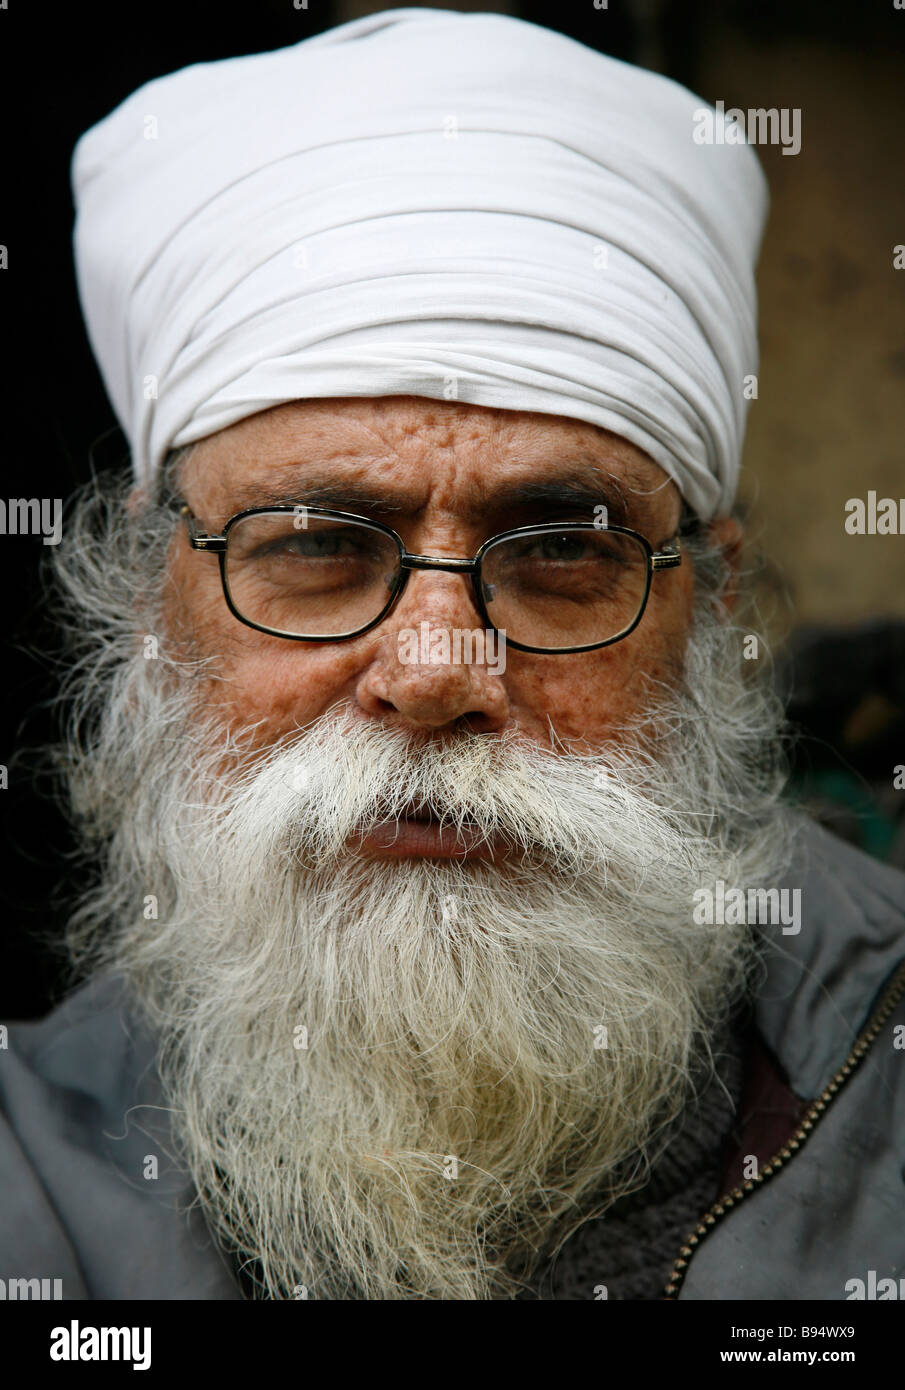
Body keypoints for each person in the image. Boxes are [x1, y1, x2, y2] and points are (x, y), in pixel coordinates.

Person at [1, 7, 903, 1302]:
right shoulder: (28, 1186)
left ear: (709, 607)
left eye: (558, 552)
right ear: (157, 601)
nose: (431, 670)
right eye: (315, 544)